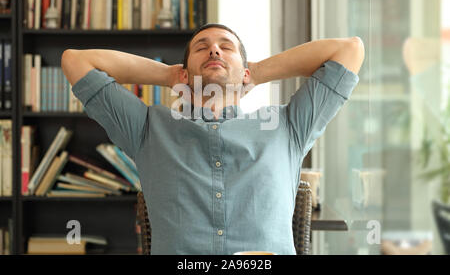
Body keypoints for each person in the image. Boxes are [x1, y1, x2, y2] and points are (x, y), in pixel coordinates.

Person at [61, 23, 364, 255]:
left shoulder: (288, 126)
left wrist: (255, 72)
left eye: (226, 47)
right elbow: (75, 61)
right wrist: (169, 75)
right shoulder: (147, 127)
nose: (215, 51)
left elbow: (350, 50)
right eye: (202, 47)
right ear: (184, 72)